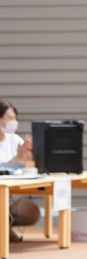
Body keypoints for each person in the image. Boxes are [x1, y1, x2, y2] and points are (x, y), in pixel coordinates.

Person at [1, 100, 42, 243]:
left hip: (11, 195)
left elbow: (26, 166)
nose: (14, 122)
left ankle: (5, 225)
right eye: (10, 118)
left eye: (15, 118)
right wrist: (18, 157)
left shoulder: (14, 139)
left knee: (32, 212)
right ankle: (4, 231)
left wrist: (28, 156)